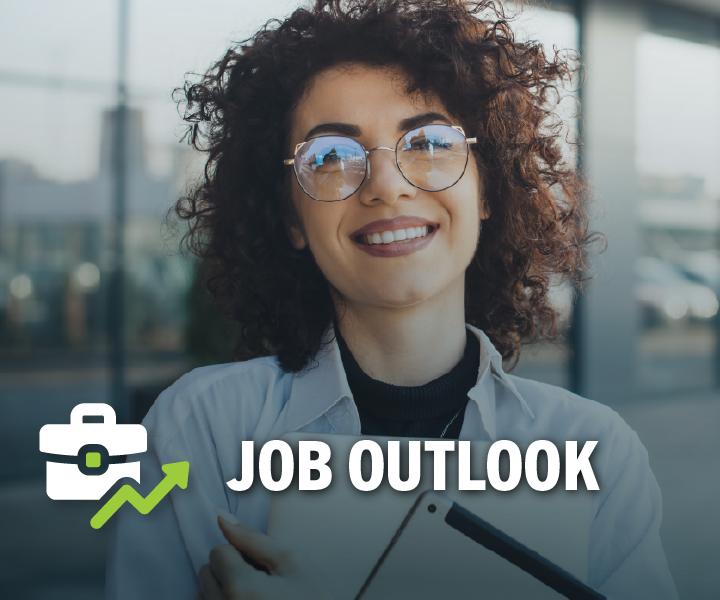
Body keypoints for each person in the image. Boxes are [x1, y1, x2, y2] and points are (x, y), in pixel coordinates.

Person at [106, 0, 677, 598]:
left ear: (487, 187)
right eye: (330, 157)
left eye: (428, 143)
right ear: (291, 217)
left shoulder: (596, 456)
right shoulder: (203, 431)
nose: (387, 185)